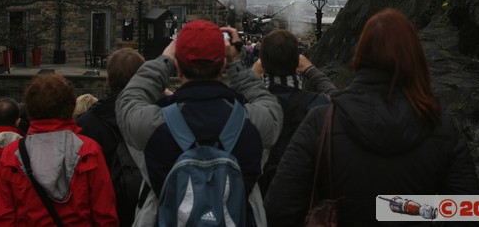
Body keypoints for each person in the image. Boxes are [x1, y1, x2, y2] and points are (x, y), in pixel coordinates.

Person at [264, 8, 479, 226]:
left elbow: (279, 209)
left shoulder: (323, 121)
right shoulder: (441, 128)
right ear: (415, 56)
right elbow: (468, 215)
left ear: (360, 54)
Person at [117, 19, 283, 227]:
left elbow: (129, 99)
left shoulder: (152, 125)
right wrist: (234, 63)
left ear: (178, 66)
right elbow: (270, 105)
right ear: (222, 64)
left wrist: (166, 59)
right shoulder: (253, 124)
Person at [0, 74, 118, 226]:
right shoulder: (88, 150)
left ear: (30, 109)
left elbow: (2, 219)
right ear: (70, 106)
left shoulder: (12, 154)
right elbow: (104, 215)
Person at [252, 29, 336, 196]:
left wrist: (251, 75)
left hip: (261, 197)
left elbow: (230, 106)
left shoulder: (252, 107)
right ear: (297, 60)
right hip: (306, 196)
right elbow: (339, 102)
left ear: (263, 64)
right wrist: (312, 71)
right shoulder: (318, 104)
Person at [77, 48, 145, 226]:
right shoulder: (157, 117)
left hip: (105, 211)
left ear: (108, 79)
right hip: (146, 210)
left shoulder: (86, 123)